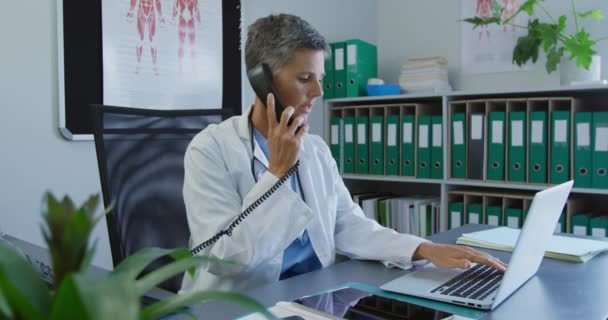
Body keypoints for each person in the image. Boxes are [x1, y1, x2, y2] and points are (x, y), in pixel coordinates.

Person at [180, 13, 506, 293]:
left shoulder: (315, 149)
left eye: (320, 79)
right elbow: (222, 260)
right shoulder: (210, 150)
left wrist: (423, 248)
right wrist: (277, 173)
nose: (319, 92)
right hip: (240, 306)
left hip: (311, 298)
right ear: (261, 80)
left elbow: (348, 225)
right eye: (305, 78)